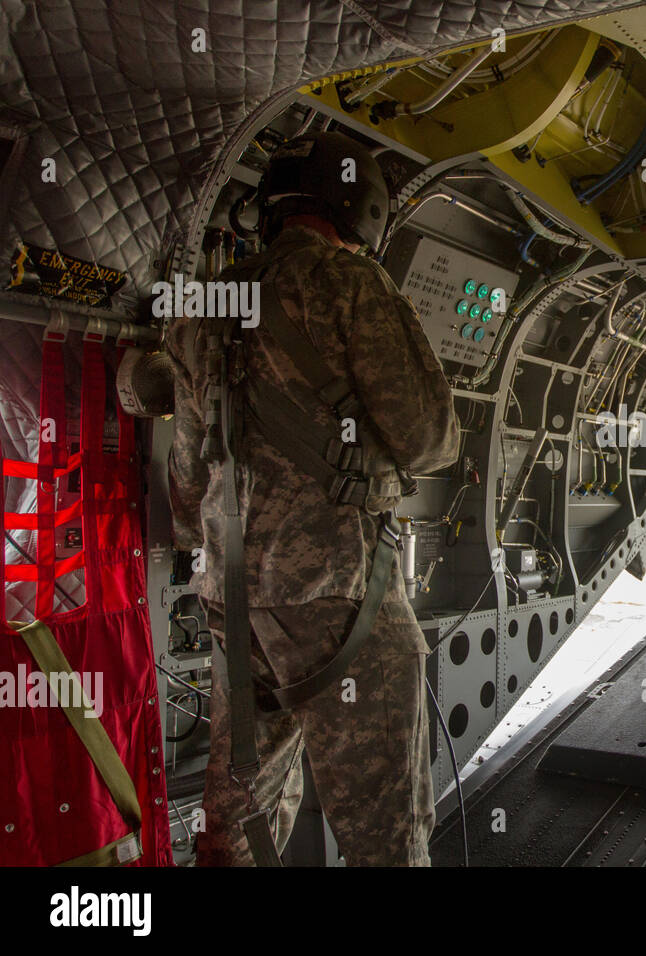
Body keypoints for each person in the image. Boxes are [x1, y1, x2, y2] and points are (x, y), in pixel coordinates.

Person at [166, 131, 459, 866]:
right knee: (384, 834)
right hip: (339, 601)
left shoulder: (202, 310)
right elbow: (428, 437)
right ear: (358, 213)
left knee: (239, 812)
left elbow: (187, 486)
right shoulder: (349, 285)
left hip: (236, 602)